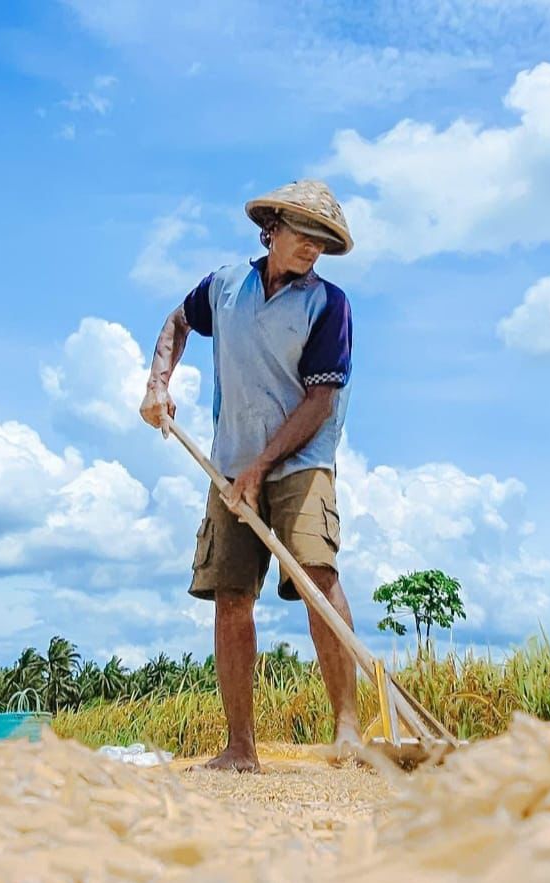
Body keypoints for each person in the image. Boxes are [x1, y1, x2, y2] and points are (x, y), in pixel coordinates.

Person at [140, 179, 357, 772]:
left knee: (317, 575)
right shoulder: (225, 286)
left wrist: (263, 468)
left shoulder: (328, 305)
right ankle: (240, 748)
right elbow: (178, 321)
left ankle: (348, 731)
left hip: (301, 460)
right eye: (304, 234)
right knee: (231, 594)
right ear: (272, 230)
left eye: (323, 240)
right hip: (229, 462)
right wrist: (158, 383)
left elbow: (319, 403)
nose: (312, 247)